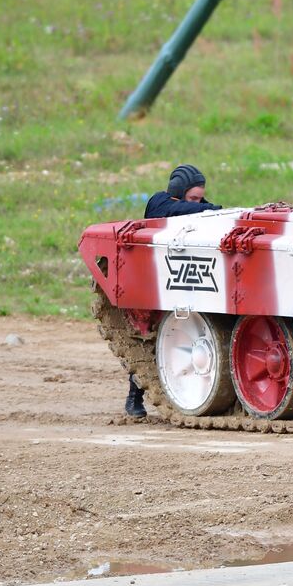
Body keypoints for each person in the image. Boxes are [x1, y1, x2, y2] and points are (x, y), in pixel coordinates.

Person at [127, 164, 223, 417]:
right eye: (193, 197)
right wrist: (208, 209)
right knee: (147, 339)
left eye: (201, 197)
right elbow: (175, 210)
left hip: (181, 280)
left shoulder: (196, 205)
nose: (199, 201)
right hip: (151, 281)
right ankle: (134, 397)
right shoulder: (159, 202)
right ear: (177, 193)